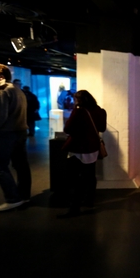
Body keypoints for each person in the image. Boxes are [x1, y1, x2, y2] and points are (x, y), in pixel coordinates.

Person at [0, 64, 32, 212]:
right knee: (21, 165)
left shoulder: (1, 90)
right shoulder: (17, 89)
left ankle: (13, 199)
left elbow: (1, 115)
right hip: (20, 132)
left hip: (6, 134)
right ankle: (24, 196)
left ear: (1, 76)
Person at [58, 90, 107, 218]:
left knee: (75, 178)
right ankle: (89, 200)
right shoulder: (100, 111)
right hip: (93, 147)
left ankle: (74, 208)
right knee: (90, 175)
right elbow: (102, 128)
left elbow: (67, 128)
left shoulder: (79, 111)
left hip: (79, 147)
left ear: (79, 100)